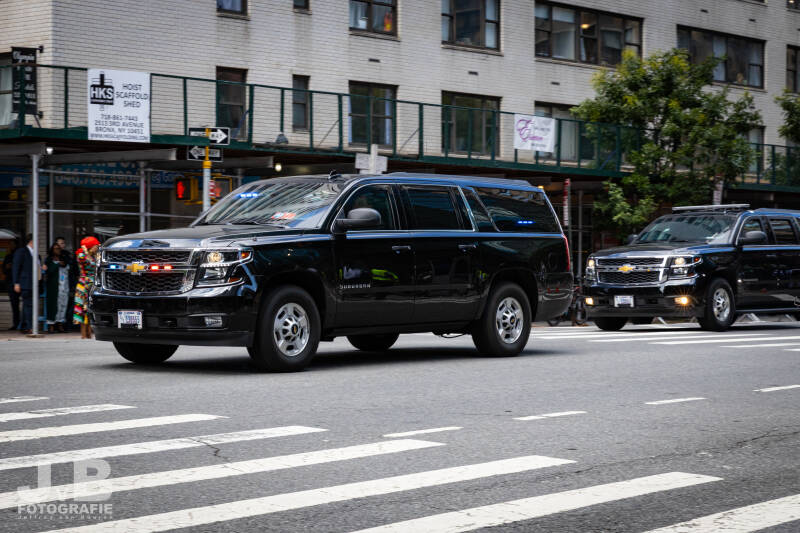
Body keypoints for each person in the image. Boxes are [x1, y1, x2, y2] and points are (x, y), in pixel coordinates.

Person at [13, 234, 43, 335]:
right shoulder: (21, 252)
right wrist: (16, 282)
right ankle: (29, 326)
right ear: (31, 241)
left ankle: (25, 325)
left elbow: (38, 268)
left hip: (36, 283)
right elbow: (16, 267)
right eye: (37, 241)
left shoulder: (37, 254)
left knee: (30, 305)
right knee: (28, 305)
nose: (38, 243)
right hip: (25, 283)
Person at [73, 236, 100, 339]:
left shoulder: (94, 255)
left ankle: (89, 334)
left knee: (89, 309)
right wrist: (87, 252)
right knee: (83, 309)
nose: (97, 247)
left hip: (92, 283)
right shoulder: (81, 255)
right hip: (84, 284)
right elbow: (90, 264)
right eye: (96, 245)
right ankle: (84, 335)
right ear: (90, 246)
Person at [45, 242, 71, 333]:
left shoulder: (64, 259)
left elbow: (69, 268)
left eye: (59, 248)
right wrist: (57, 264)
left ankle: (60, 324)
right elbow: (49, 271)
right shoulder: (49, 260)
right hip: (54, 287)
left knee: (63, 305)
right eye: (56, 248)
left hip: (64, 287)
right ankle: (51, 325)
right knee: (53, 306)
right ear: (52, 250)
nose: (58, 250)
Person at [55, 236, 78, 329]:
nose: (62, 245)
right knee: (58, 305)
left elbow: (73, 269)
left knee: (68, 304)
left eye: (63, 243)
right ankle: (57, 324)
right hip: (57, 284)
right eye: (60, 243)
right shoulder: (53, 256)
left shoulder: (67, 255)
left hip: (69, 284)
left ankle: (66, 324)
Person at [3, 236, 21, 330]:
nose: (11, 246)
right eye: (10, 245)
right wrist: (7, 267)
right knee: (14, 305)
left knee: (25, 304)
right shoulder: (8, 257)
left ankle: (24, 324)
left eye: (12, 244)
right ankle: (16, 323)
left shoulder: (19, 255)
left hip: (20, 282)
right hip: (10, 283)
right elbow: (4, 271)